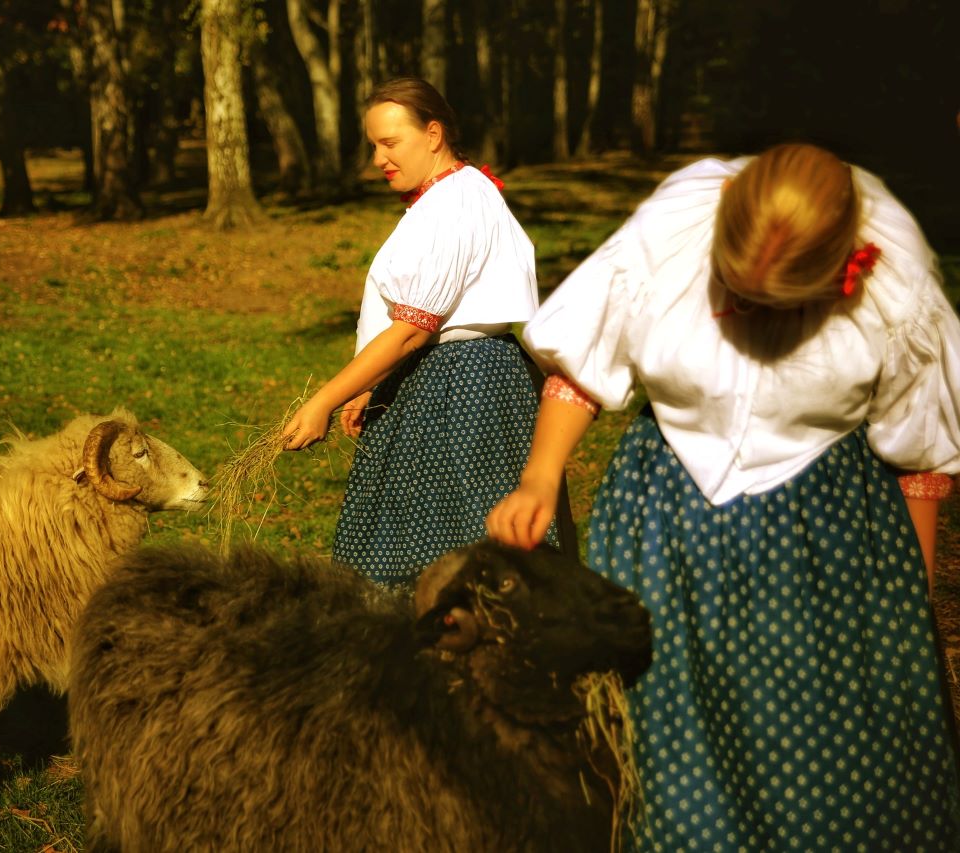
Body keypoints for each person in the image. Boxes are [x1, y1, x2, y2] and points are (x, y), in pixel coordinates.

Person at [486, 142, 960, 849]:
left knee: (822, 762)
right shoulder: (673, 231)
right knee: (661, 748)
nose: (749, 314)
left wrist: (907, 599)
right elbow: (588, 359)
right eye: (737, 291)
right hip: (665, 529)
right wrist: (540, 476)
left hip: (819, 544)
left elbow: (921, 448)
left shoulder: (897, 280)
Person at [282, 77, 569, 588]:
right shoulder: (445, 197)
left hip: (463, 391)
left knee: (461, 549)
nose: (378, 159)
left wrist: (324, 399)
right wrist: (368, 384)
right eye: (374, 145)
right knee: (418, 536)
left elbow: (412, 331)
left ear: (433, 135)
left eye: (390, 143)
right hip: (438, 379)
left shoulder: (455, 204)